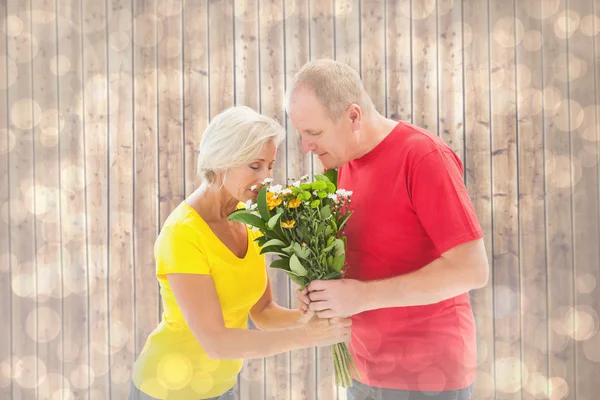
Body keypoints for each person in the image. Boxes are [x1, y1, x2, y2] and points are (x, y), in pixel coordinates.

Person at [286, 59, 489, 400]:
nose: (305, 146)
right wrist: (320, 294)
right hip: (363, 369)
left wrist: (362, 296)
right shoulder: (343, 162)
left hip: (426, 377)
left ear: (353, 117)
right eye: (301, 133)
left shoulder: (423, 156)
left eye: (315, 133)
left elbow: (471, 270)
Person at [129, 106, 352, 400]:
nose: (267, 178)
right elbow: (216, 343)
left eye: (270, 166)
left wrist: (308, 316)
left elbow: (263, 312)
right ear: (223, 161)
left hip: (222, 388)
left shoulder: (249, 221)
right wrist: (305, 337)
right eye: (255, 165)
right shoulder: (182, 234)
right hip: (166, 391)